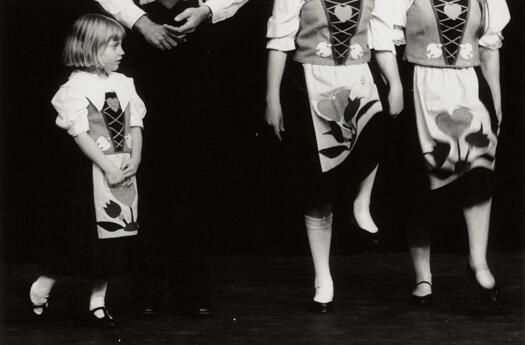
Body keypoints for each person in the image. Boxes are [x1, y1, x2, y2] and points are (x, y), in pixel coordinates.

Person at [94, 0, 249, 317]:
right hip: (141, 35)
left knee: (195, 171)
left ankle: (193, 289)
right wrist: (140, 21)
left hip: (197, 33)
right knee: (143, 165)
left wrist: (206, 11)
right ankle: (147, 288)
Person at [265, 0, 403, 312]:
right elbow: (280, 41)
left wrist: (394, 82)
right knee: (318, 186)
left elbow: (380, 37)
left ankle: (361, 202)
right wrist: (272, 97)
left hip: (359, 78)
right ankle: (322, 278)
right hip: (313, 82)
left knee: (377, 130)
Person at [389, 0, 510, 304]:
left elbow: (489, 46)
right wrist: (394, 86)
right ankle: (423, 276)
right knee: (420, 181)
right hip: (421, 84)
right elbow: (383, 39)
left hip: (469, 85)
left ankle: (478, 261)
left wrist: (495, 96)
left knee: (480, 171)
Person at [29, 14, 146, 328]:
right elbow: (80, 133)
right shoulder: (75, 88)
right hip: (90, 174)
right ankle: (41, 288)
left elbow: (135, 125)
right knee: (79, 238)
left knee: (113, 240)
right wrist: (106, 166)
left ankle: (98, 302)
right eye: (114, 44)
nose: (121, 51)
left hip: (121, 171)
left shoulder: (123, 84)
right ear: (92, 48)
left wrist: (134, 159)